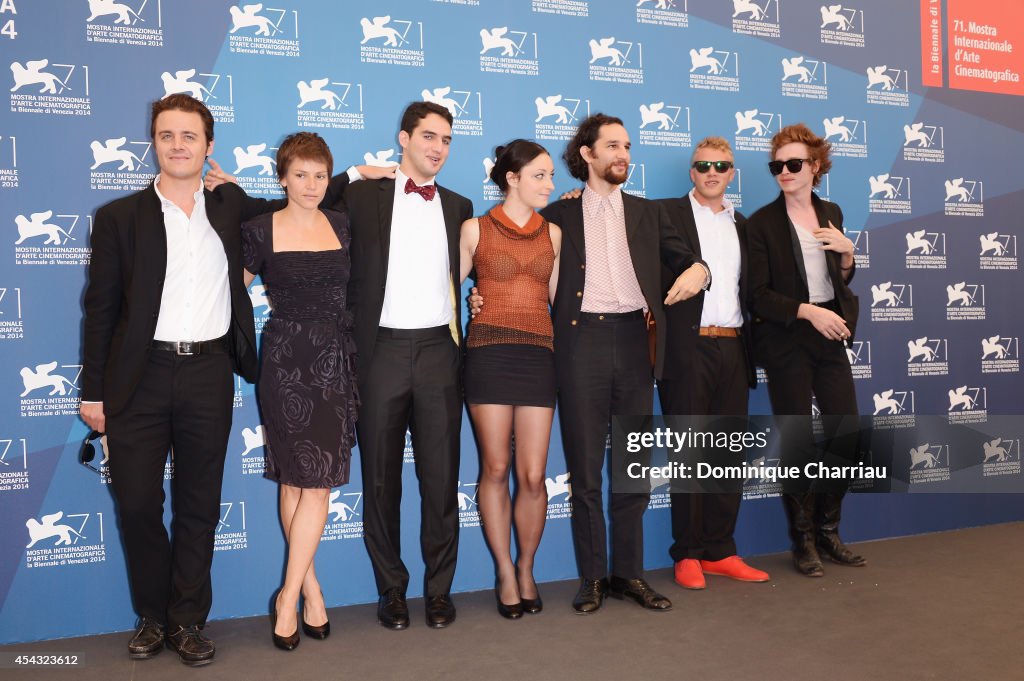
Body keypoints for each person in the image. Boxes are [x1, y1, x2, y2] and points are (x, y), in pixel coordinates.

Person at [80, 94, 268, 666]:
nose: (178, 144)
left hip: (209, 371)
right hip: (139, 376)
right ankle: (151, 614)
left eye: (190, 136)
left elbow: (308, 199)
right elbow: (101, 309)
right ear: (154, 143)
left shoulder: (234, 209)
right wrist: (93, 390)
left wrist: (360, 174)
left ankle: (186, 620)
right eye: (167, 135)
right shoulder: (119, 217)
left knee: (198, 504)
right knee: (136, 502)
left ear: (209, 146)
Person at [540, 113, 708, 614]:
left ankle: (629, 575)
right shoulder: (558, 215)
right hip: (579, 342)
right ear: (586, 154)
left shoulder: (651, 213)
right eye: (612, 146)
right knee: (586, 473)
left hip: (636, 342)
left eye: (628, 146)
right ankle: (593, 577)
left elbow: (688, 261)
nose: (624, 155)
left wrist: (701, 271)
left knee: (632, 471)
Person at [339, 102, 473, 629]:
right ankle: (391, 590)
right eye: (428, 137)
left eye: (445, 140)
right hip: (381, 354)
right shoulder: (361, 194)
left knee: (441, 482)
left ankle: (439, 591)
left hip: (441, 352)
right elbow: (304, 199)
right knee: (380, 481)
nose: (437, 148)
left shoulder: (460, 206)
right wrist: (354, 170)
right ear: (403, 139)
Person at [239, 132, 357, 650]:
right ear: (282, 176)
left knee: (317, 484)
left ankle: (291, 595)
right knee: (293, 480)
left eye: (320, 175)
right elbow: (229, 291)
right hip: (285, 360)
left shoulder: (344, 225)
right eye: (301, 174)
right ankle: (305, 592)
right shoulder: (259, 230)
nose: (310, 185)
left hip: (335, 360)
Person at [746, 123, 867, 577]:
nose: (784, 172)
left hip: (829, 335)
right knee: (797, 439)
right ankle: (804, 542)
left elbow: (838, 280)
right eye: (777, 165)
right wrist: (806, 311)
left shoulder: (831, 211)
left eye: (794, 164)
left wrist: (849, 254)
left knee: (846, 436)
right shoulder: (761, 223)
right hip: (787, 340)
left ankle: (829, 530)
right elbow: (757, 294)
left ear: (815, 167)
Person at [654, 137, 770, 590]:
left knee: (725, 455)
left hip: (733, 348)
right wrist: (571, 194)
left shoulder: (744, 225)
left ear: (731, 173)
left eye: (721, 165)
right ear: (692, 172)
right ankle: (687, 554)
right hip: (687, 348)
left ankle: (721, 550)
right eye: (703, 165)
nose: (712, 172)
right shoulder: (664, 214)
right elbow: (607, 212)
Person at [459, 140, 562, 619]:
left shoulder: (555, 234)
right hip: (488, 354)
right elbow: (446, 293)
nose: (549, 184)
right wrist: (470, 304)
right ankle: (504, 570)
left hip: (538, 356)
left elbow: (555, 305)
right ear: (511, 178)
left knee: (534, 475)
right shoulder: (474, 229)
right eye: (539, 175)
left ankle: (527, 567)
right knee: (496, 468)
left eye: (551, 176)